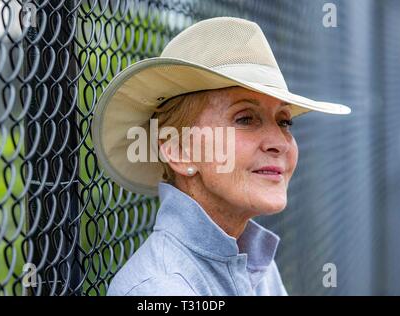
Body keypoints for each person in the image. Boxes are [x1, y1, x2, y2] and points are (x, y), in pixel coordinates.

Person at [91, 16, 351, 295]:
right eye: (245, 118)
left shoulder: (255, 265)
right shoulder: (161, 291)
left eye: (284, 121)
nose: (280, 142)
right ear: (179, 149)